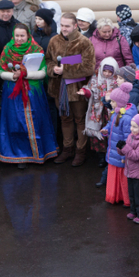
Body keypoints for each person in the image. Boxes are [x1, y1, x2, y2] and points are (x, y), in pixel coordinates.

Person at [0, 23, 58, 169]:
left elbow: (43, 72)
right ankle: (19, 155)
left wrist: (25, 74)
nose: (19, 38)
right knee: (15, 122)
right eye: (16, 35)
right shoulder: (7, 49)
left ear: (28, 35)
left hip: (33, 90)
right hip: (13, 91)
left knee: (36, 120)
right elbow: (0, 71)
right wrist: (13, 76)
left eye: (22, 35)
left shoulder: (37, 50)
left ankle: (39, 153)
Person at [46, 13, 96, 166]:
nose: (63, 28)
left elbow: (89, 68)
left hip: (77, 90)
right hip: (58, 89)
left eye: (67, 26)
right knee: (65, 119)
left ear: (75, 26)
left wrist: (65, 70)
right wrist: (53, 69)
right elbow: (48, 60)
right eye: (61, 25)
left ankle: (81, 151)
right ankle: (67, 149)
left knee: (80, 119)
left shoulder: (84, 43)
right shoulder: (54, 41)